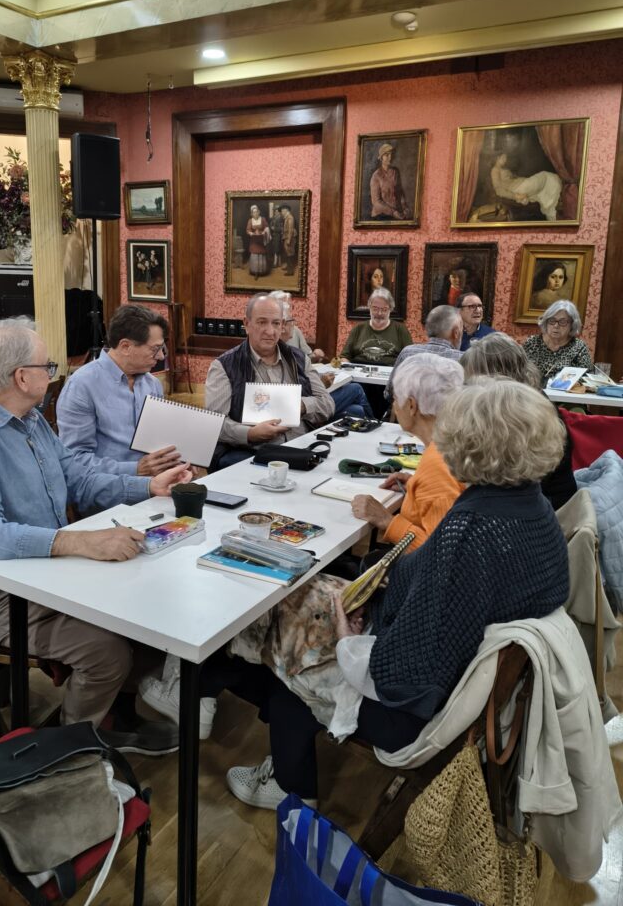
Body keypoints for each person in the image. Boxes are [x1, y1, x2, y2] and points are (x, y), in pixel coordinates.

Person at [210, 380, 569, 808]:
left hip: (411, 711)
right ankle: (231, 707)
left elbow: (400, 674)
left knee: (288, 638)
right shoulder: (532, 508)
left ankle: (290, 785)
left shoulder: (470, 530)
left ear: (468, 444)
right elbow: (441, 594)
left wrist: (349, 641)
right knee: (301, 593)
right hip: (458, 678)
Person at [0, 318, 192, 751]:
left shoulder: (28, 420)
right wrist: (79, 542)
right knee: (107, 651)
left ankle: (112, 717)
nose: (53, 373)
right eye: (47, 365)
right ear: (21, 377)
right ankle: (70, 750)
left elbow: (78, 478)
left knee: (150, 608)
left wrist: (148, 486)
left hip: (40, 573)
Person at [204, 294, 334, 469]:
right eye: (262, 322)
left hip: (302, 448)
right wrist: (250, 433)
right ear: (246, 324)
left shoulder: (299, 359)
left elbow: (327, 404)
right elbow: (214, 424)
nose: (270, 331)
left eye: (276, 323)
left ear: (283, 325)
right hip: (253, 452)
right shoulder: (224, 366)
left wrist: (300, 405)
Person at [351, 354, 465, 547]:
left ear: (411, 406)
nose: (394, 406)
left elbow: (441, 552)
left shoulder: (437, 464)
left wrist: (387, 520)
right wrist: (416, 487)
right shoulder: (452, 441)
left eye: (395, 399)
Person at [56, 304, 181, 478]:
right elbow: (74, 460)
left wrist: (175, 461)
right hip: (108, 489)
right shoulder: (82, 386)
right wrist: (135, 469)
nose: (160, 356)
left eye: (162, 348)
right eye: (155, 349)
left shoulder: (152, 384)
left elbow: (157, 441)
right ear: (125, 347)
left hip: (153, 485)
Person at [460, 332, 577, 508]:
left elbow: (507, 482)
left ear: (499, 377)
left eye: (472, 381)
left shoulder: (528, 415)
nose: (469, 389)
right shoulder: (518, 403)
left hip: (547, 507)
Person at [277, 297, 372, 421]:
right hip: (302, 409)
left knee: (356, 410)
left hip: (310, 398)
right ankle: (376, 424)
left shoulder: (296, 345)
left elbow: (308, 358)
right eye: (291, 320)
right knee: (356, 389)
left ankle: (372, 424)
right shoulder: (273, 356)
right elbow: (294, 396)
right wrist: (321, 384)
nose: (294, 324)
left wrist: (315, 357)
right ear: (283, 325)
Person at [522, 300, 593, 387]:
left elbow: (587, 378)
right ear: (546, 322)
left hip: (564, 394)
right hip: (532, 391)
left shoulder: (578, 347)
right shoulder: (532, 342)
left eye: (562, 322)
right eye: (552, 320)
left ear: (572, 325)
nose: (556, 325)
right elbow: (518, 370)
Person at [341, 288, 413, 366]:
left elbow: (411, 359)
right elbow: (344, 357)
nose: (379, 313)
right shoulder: (358, 328)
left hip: (390, 372)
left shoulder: (400, 330)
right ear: (369, 307)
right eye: (375, 309)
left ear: (390, 309)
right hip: (359, 371)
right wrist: (348, 368)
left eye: (384, 309)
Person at [490, 151, 562, 220]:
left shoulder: (503, 169)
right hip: (519, 189)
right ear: (497, 158)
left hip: (522, 185)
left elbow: (514, 179)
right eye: (503, 158)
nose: (505, 160)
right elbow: (498, 190)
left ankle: (553, 217)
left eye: (505, 158)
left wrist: (525, 180)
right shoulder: (495, 170)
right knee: (546, 176)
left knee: (544, 191)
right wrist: (515, 196)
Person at [269, 290, 326, 361]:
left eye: (289, 306)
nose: (288, 310)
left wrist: (315, 356)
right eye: (284, 305)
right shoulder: (267, 334)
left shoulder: (295, 331)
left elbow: (307, 357)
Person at [369, 143, 409, 221]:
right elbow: (376, 202)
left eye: (391, 154)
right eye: (387, 155)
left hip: (397, 214)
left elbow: (400, 192)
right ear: (381, 157)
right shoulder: (376, 176)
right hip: (381, 215)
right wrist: (393, 212)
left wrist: (405, 207)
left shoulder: (395, 172)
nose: (390, 157)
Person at [246, 204, 270, 278]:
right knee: (255, 255)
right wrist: (251, 233)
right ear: (252, 214)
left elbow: (266, 227)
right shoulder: (250, 221)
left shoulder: (263, 219)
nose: (255, 213)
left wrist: (264, 232)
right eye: (254, 212)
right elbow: (248, 230)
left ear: (259, 212)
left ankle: (261, 271)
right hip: (254, 240)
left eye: (256, 212)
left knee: (261, 254)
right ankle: (255, 272)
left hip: (261, 239)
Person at [280, 205, 297, 276]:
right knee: (288, 253)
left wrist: (289, 240)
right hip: (287, 237)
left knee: (290, 254)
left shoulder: (290, 218)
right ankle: (288, 267)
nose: (282, 213)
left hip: (289, 238)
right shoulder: (287, 217)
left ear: (286, 210)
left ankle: (290, 271)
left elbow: (290, 230)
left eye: (282, 211)